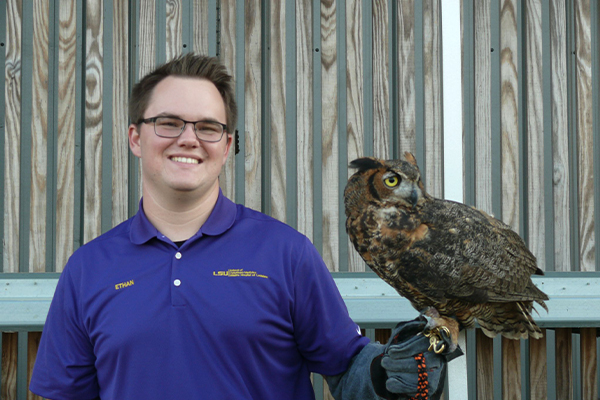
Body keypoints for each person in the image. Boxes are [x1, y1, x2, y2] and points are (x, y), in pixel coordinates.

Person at [30, 53, 459, 400]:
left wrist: (387, 373)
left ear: (227, 146)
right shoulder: (88, 268)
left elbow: (348, 370)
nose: (188, 138)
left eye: (208, 127)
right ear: (135, 137)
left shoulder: (285, 253)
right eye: (168, 123)